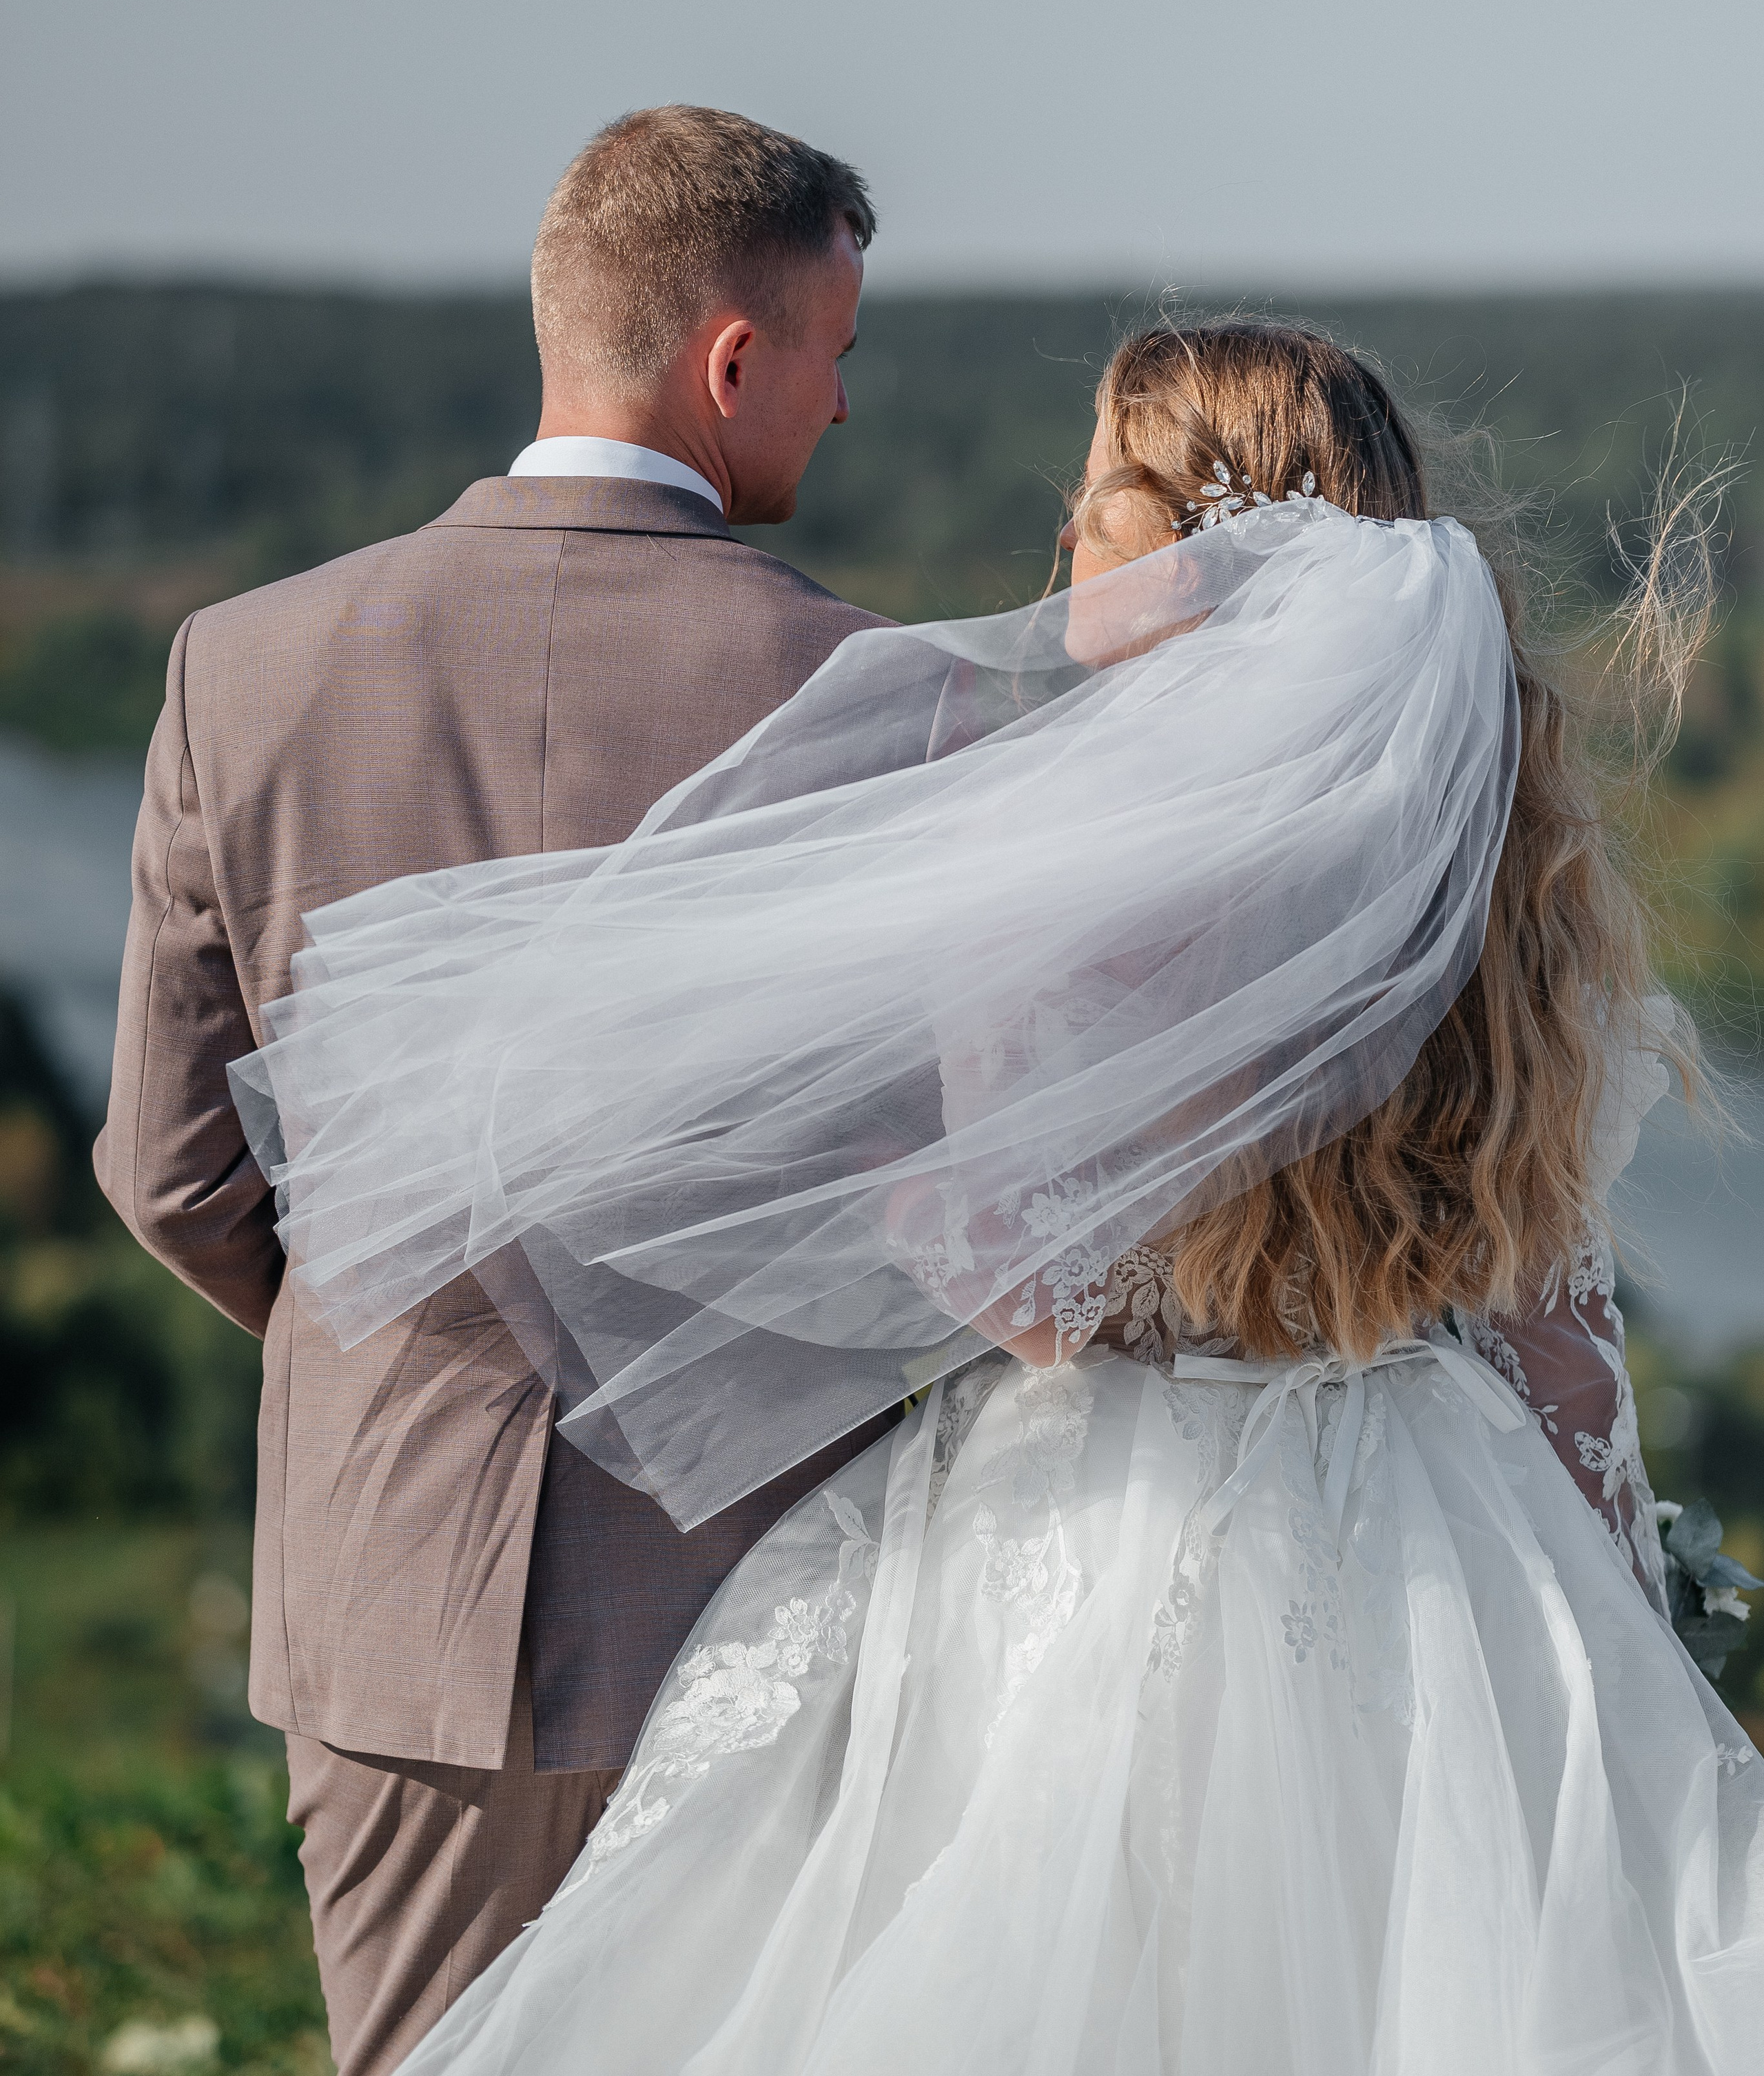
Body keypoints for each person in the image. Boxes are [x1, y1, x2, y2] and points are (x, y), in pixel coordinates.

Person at [235, 320, 1764, 2073]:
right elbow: (1564, 1347)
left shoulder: (1055, 868)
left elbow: (1035, 1295)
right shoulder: (1499, 900)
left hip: (1094, 1522)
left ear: (1192, 528)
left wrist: (883, 1205)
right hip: (1442, 1528)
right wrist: (1618, 1627)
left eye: (1097, 491)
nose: (1058, 535)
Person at [95, 105, 894, 2076]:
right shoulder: (878, 700)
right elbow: (922, 1187)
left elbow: (170, 1163)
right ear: (732, 358)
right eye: (838, 354)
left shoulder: (241, 665)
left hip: (387, 1599)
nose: (845, 406)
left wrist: (399, 1341)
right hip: (753, 1598)